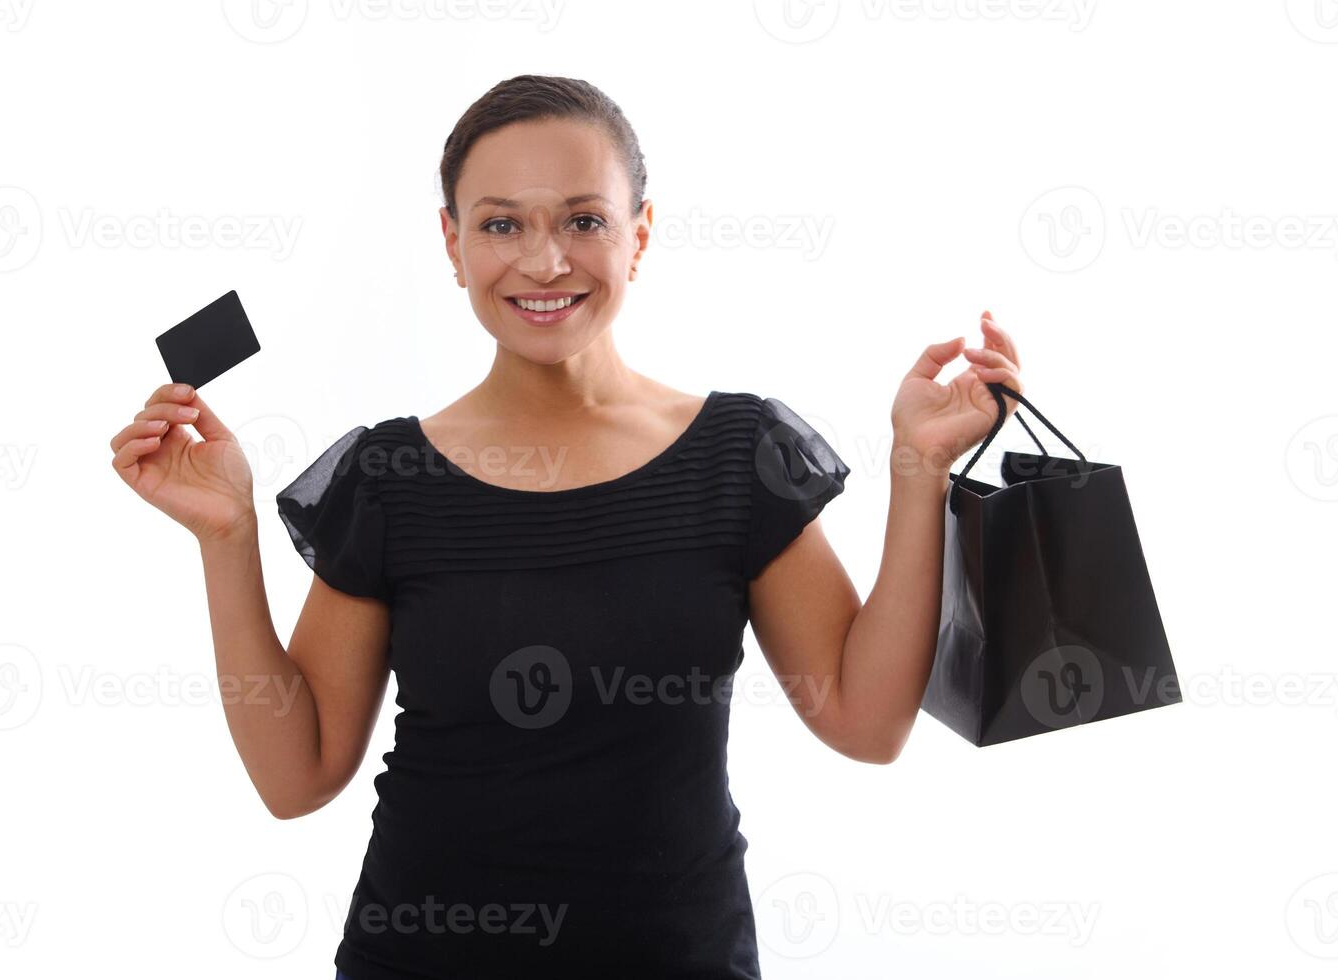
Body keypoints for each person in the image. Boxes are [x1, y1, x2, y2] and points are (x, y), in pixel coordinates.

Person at [110, 74, 1023, 980]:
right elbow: (296, 777)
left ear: (640, 236)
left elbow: (866, 725)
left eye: (583, 220)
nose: (544, 263)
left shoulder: (737, 454)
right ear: (452, 243)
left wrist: (918, 470)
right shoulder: (388, 480)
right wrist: (225, 539)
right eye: (500, 223)